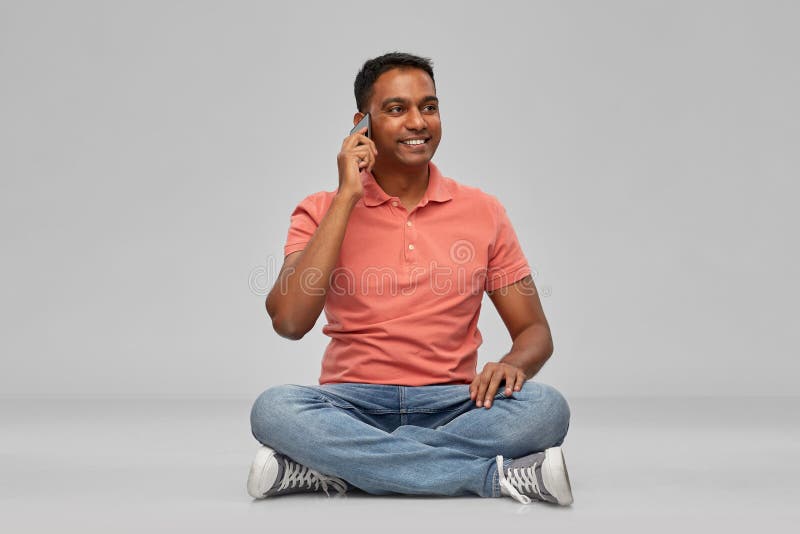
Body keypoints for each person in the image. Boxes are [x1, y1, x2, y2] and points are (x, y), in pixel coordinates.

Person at [248, 52, 573, 505]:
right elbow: (288, 321)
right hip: (349, 406)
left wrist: (513, 365)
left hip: (454, 406)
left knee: (546, 409)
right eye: (397, 109)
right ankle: (493, 479)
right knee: (274, 410)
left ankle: (332, 467)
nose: (418, 122)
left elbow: (535, 331)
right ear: (362, 125)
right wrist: (347, 196)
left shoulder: (484, 211)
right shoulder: (319, 209)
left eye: (430, 107)